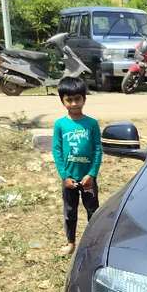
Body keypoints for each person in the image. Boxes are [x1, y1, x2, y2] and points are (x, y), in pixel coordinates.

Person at [52, 77, 102, 256]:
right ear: (62, 101)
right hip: (69, 180)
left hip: (88, 179)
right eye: (69, 100)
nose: (74, 103)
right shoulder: (60, 124)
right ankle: (71, 242)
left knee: (93, 211)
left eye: (77, 99)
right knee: (70, 212)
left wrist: (92, 174)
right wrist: (64, 176)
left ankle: (94, 243)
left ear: (84, 99)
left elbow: (98, 150)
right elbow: (57, 151)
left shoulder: (92, 124)